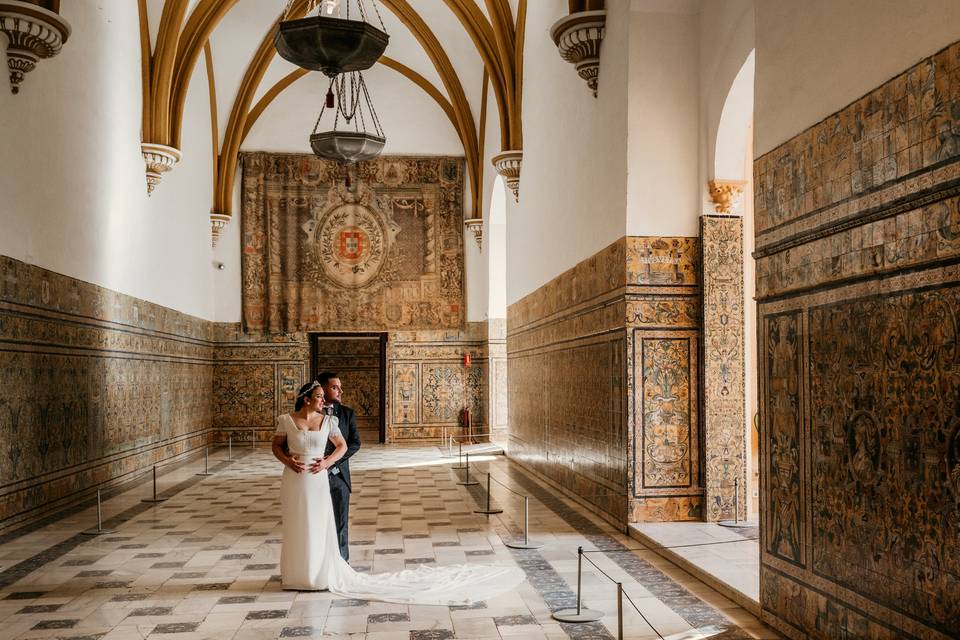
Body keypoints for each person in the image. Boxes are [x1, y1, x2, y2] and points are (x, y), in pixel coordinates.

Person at [272, 380, 526, 603]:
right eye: (319, 397)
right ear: (306, 399)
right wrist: (287, 461)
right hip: (294, 479)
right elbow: (277, 447)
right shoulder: (287, 420)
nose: (323, 400)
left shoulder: (329, 420)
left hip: (317, 479)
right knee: (296, 524)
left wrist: (327, 463)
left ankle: (318, 574)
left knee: (318, 524)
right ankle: (296, 574)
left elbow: (343, 445)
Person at [316, 371, 360, 562]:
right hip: (313, 476)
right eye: (335, 387)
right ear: (322, 389)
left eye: (340, 387)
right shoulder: (310, 412)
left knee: (340, 523)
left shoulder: (347, 414)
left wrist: (332, 460)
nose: (341, 390)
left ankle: (343, 562)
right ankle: (319, 560)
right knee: (316, 520)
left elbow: (355, 443)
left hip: (339, 476)